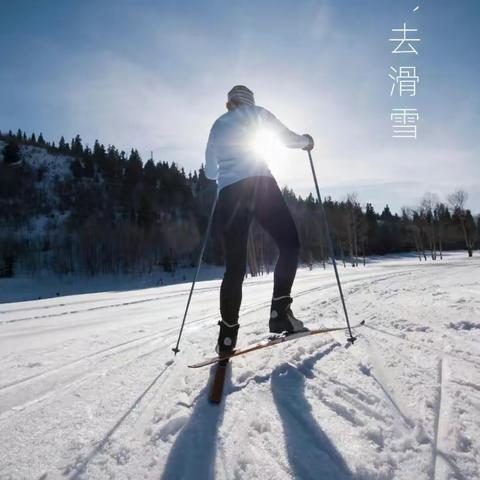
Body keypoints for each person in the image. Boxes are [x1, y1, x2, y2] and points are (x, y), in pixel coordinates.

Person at [205, 85, 314, 354]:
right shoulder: (257, 113)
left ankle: (227, 337)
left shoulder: (217, 125)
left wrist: (225, 170)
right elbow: (287, 139)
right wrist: (306, 141)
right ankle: (280, 312)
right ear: (250, 101)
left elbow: (209, 171)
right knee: (289, 244)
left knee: (234, 267)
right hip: (260, 184)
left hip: (229, 193)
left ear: (229, 103)